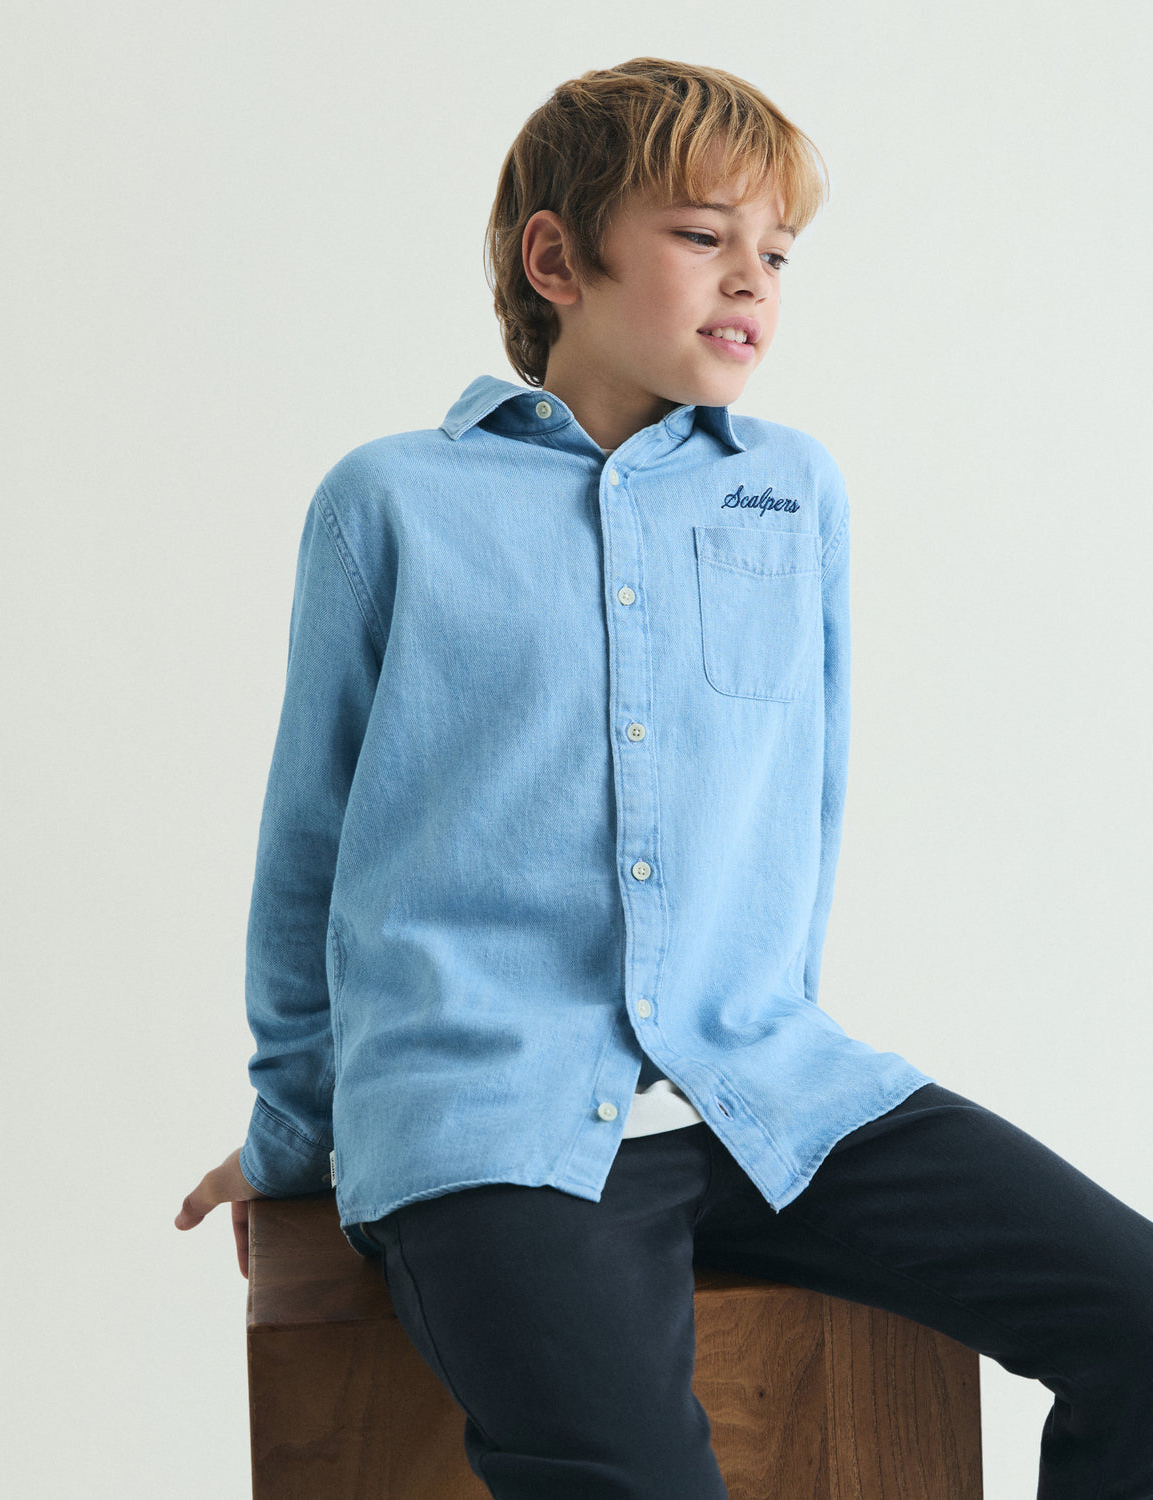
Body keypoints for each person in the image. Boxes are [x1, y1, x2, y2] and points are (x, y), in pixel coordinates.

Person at [175, 56, 1153, 1498]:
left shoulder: (793, 491)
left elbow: (806, 813)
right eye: (703, 235)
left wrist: (767, 1016)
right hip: (488, 1125)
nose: (751, 279)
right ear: (557, 260)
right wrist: (290, 1136)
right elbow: (309, 853)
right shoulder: (390, 503)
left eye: (778, 252)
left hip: (764, 1086)